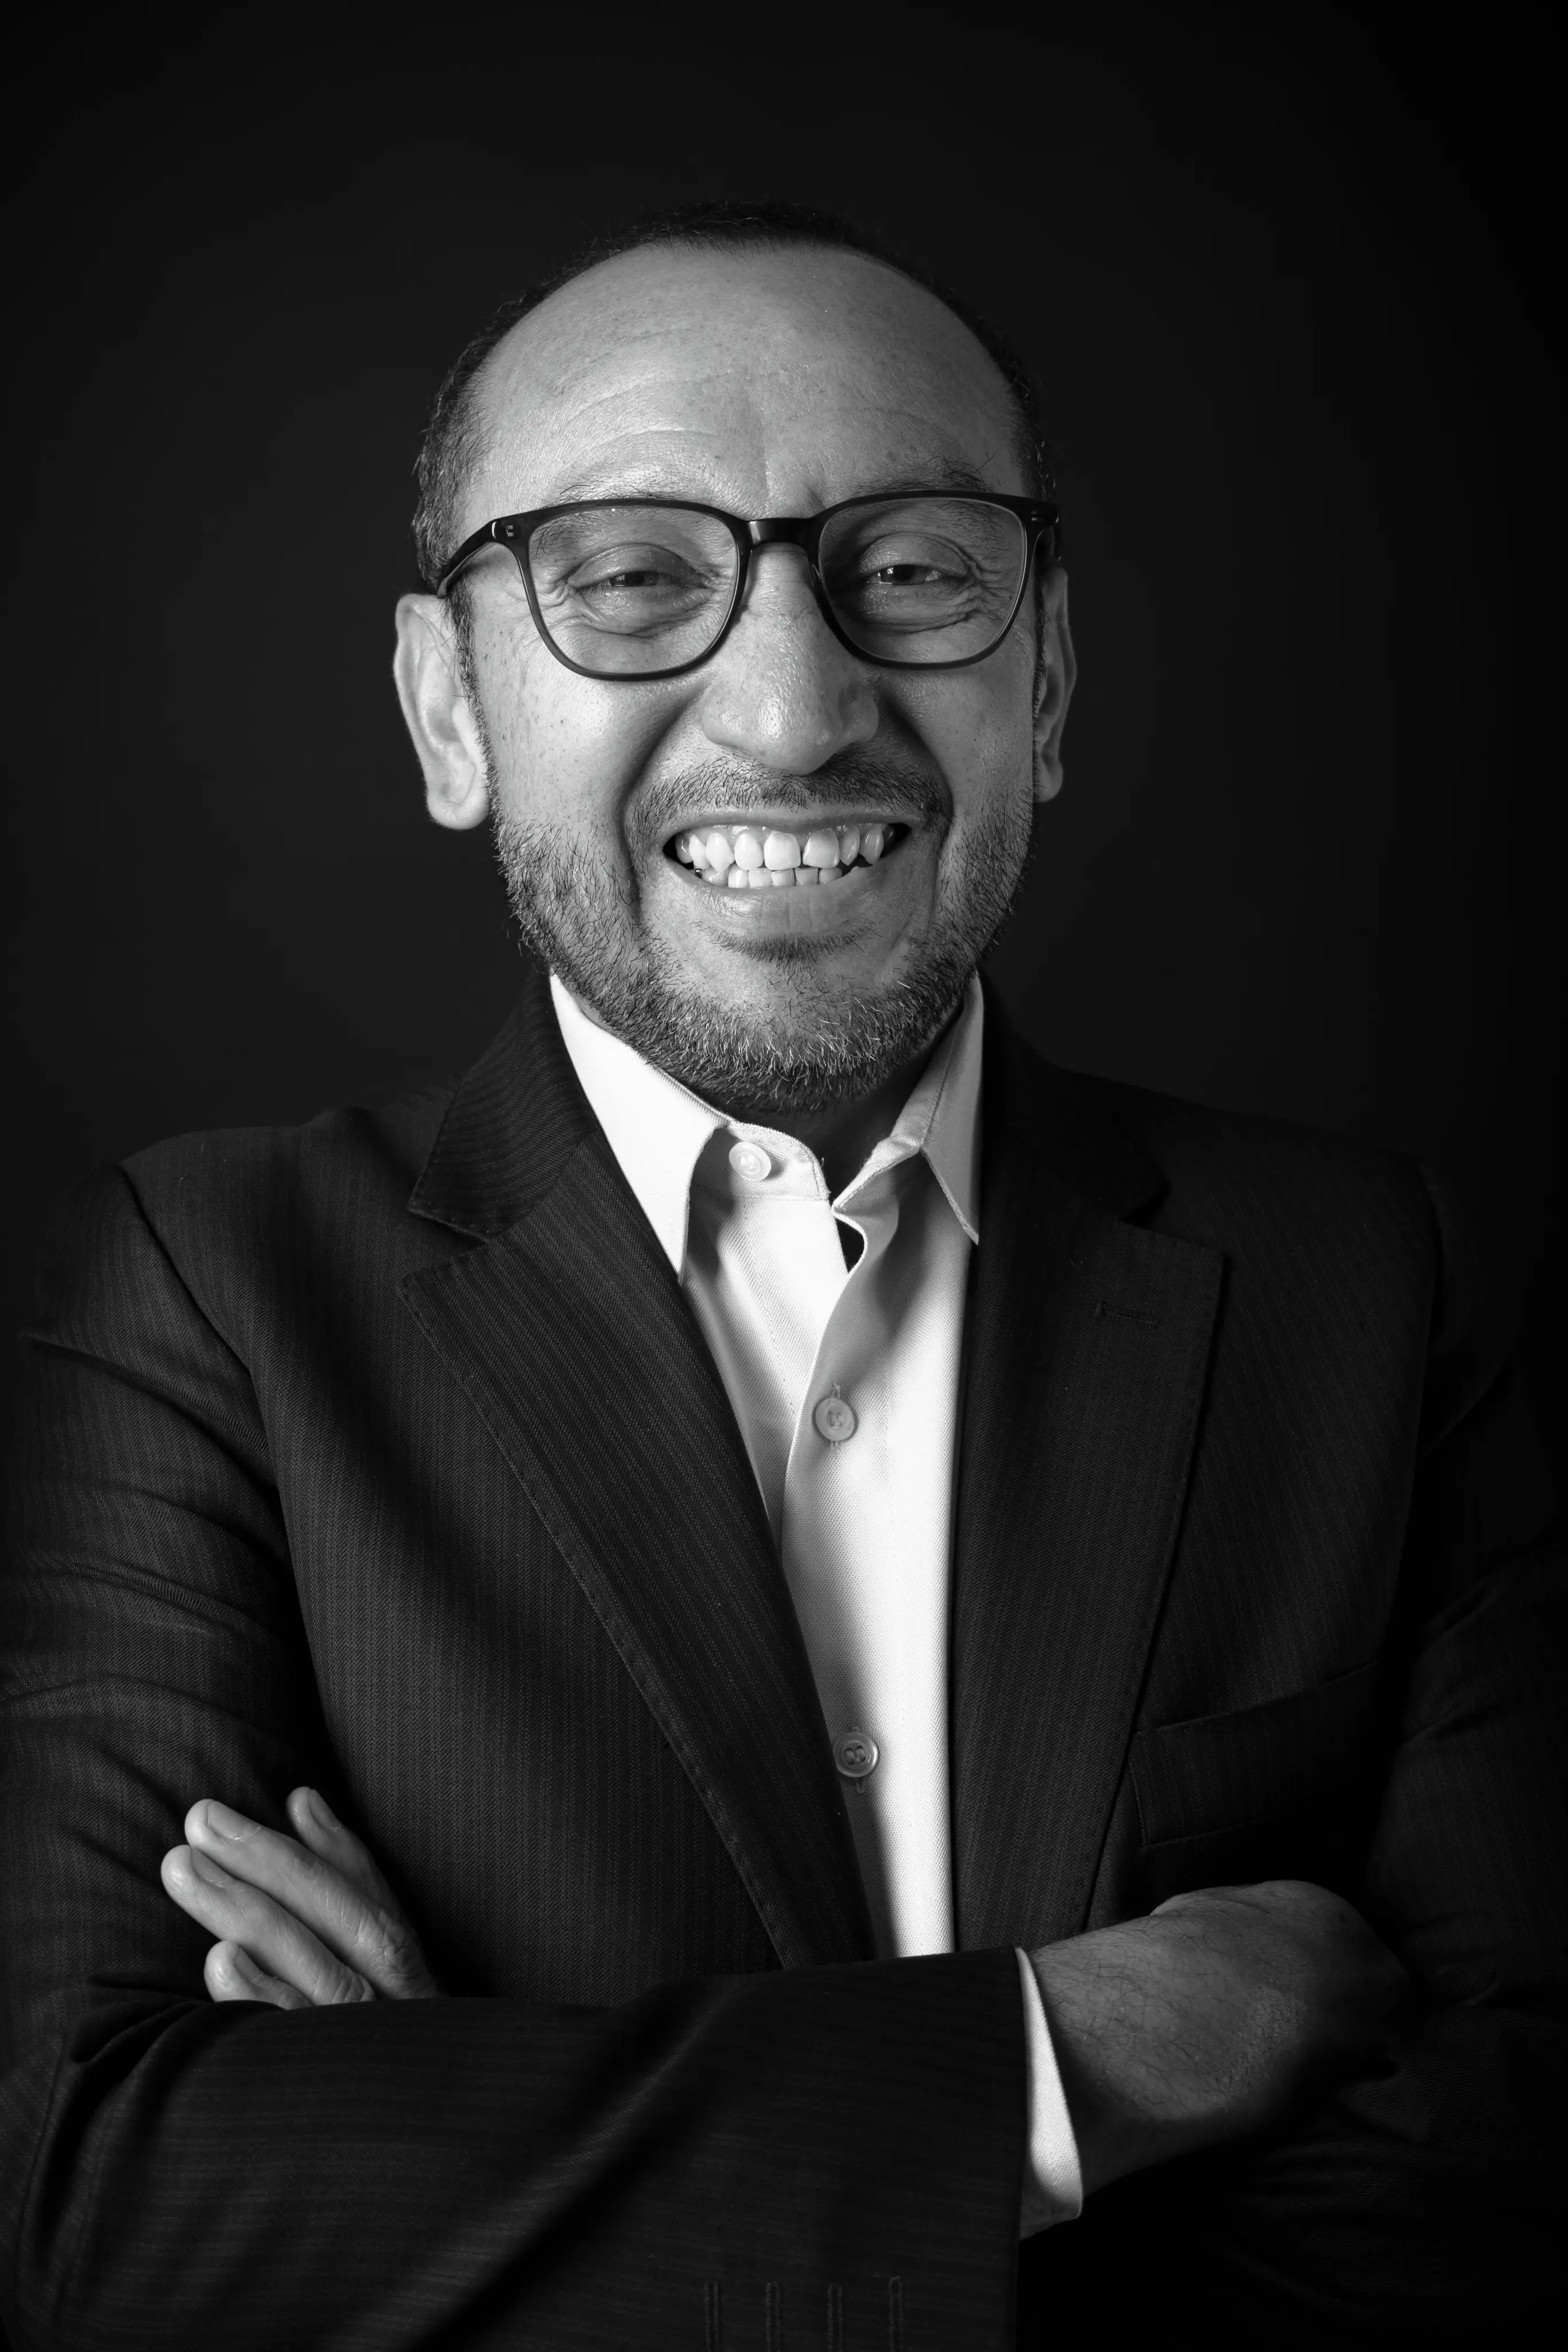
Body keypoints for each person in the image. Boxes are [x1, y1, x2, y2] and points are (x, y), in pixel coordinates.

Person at [1, 199, 1561, 2350]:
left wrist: (482, 2153)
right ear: (449, 708)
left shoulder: (1383, 1287)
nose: (797, 702)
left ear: (1053, 675)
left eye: (912, 570)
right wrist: (1079, 2053)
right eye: (635, 577)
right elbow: (98, 2211)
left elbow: (1516, 2204)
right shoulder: (207, 1299)